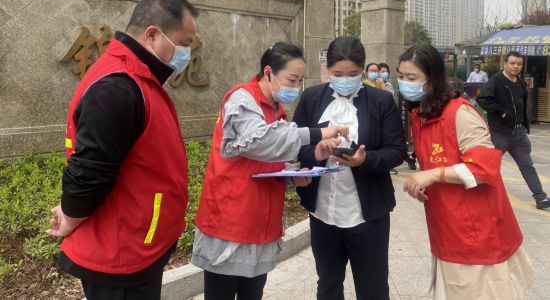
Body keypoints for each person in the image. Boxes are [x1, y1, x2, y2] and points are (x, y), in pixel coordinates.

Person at [46, 0, 198, 299]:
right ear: (152, 35)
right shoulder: (118, 86)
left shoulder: (136, 77)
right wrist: (71, 216)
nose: (186, 54)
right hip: (120, 255)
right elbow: (89, 171)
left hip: (135, 243)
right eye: (183, 44)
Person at [192, 42, 348, 300]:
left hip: (260, 223)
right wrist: (319, 133)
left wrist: (295, 175)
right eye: (291, 79)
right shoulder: (242, 99)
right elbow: (259, 142)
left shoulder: (277, 110)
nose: (296, 87)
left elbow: (271, 160)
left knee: (253, 294)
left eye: (300, 81)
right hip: (231, 221)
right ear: (268, 73)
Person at [399, 44, 534, 299]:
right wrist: (424, 181)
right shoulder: (420, 114)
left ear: (432, 78)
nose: (405, 83)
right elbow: (434, 162)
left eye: (412, 78)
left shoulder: (459, 112)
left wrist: (433, 175)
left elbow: (484, 168)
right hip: (445, 223)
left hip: (477, 229)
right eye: (401, 76)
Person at [293, 36, 407, 300]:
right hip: (323, 212)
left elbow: (396, 151)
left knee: (373, 289)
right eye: (338, 74)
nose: (345, 79)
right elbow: (296, 144)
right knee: (328, 285)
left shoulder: (381, 101)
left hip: (366, 214)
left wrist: (363, 160)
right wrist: (317, 152)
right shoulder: (311, 98)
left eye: (353, 74)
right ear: (328, 70)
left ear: (363, 69)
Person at [477, 51, 550, 210]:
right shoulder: (497, 80)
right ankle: (477, 195)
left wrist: (524, 124)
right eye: (512, 63)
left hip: (519, 133)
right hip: (500, 133)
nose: (515, 66)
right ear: (505, 64)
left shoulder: (520, 82)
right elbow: (482, 99)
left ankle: (541, 197)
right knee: (489, 165)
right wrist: (501, 111)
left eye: (519, 64)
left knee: (527, 165)